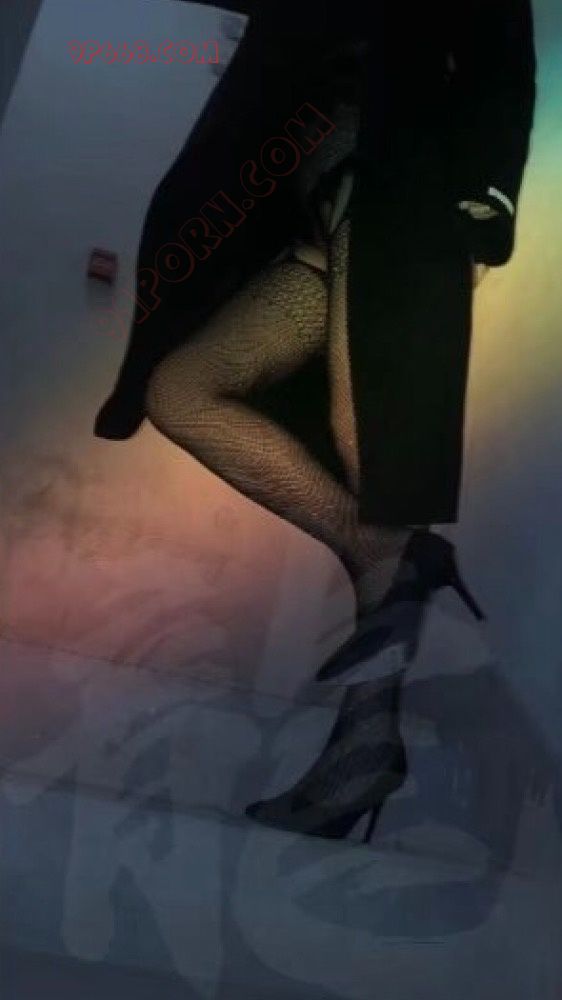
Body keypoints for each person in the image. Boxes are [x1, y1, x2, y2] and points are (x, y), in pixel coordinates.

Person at [94, 0, 536, 841]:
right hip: (306, 218)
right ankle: (395, 562)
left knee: (366, 451)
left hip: (392, 208)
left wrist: (487, 207)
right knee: (181, 391)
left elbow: (505, 69)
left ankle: (365, 749)